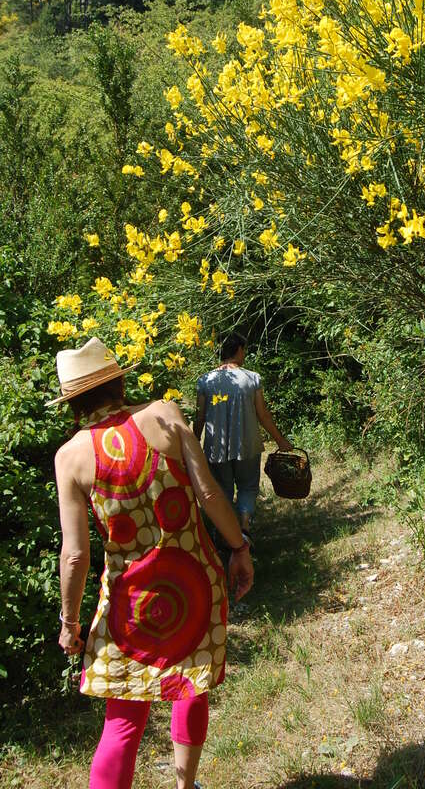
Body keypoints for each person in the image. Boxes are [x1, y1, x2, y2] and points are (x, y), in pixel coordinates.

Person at [49, 336, 254, 789]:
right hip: (195, 584)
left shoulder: (70, 457)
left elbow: (76, 554)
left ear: (72, 403)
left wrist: (69, 621)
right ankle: (186, 786)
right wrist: (239, 548)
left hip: (132, 605)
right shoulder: (164, 413)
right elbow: (209, 494)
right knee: (190, 681)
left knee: (122, 723)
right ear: (119, 382)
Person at [193, 332, 294, 543]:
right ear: (239, 350)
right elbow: (263, 415)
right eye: (244, 350)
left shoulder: (205, 381)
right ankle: (245, 525)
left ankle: (226, 534)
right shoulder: (252, 378)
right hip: (247, 445)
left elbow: (200, 417)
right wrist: (280, 440)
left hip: (216, 449)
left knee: (222, 490)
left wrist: (193, 443)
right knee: (248, 486)